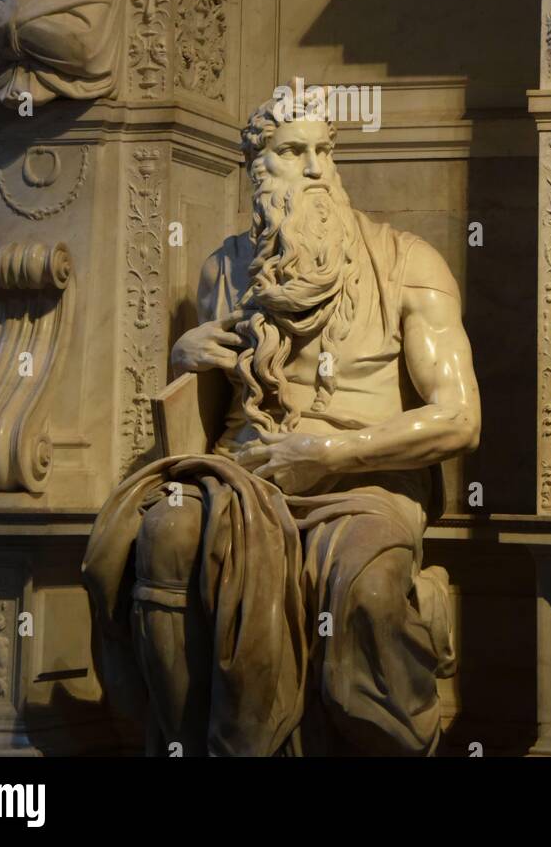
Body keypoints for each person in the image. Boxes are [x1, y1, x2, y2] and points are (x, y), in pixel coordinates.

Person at [84, 83, 481, 755]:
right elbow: (202, 419)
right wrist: (188, 355)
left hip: (363, 487)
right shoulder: (226, 269)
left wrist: (333, 453)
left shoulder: (409, 264)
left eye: (326, 150)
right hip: (245, 479)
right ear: (257, 168)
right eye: (295, 152)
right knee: (164, 536)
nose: (319, 168)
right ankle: (190, 745)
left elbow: (459, 420)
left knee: (369, 590)